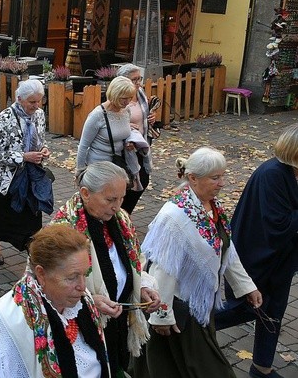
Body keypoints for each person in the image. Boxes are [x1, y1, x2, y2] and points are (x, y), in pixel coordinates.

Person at [142, 147, 262, 378]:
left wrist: (247, 286)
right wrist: (161, 315)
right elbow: (162, 270)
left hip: (199, 307)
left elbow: (224, 248)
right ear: (193, 178)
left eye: (223, 176)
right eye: (215, 178)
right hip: (182, 310)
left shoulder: (211, 206)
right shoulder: (174, 217)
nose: (222, 183)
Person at [51, 161, 161, 377]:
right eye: (110, 199)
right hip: (83, 329)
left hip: (116, 322)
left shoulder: (120, 220)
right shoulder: (62, 231)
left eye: (121, 198)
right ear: (85, 193)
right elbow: (51, 285)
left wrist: (142, 286)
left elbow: (135, 261)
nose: (117, 206)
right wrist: (89, 301)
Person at [0, 225, 110, 377]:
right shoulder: (5, 323)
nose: (82, 287)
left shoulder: (83, 302)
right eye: (72, 277)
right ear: (41, 274)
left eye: (84, 274)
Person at [214, 125, 298, 378]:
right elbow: (277, 224)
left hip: (280, 259)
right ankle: (192, 325)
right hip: (258, 255)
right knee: (248, 307)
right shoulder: (272, 174)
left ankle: (262, 367)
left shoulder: (293, 173)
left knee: (274, 311)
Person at [0, 80, 51, 265]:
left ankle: (33, 250)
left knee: (32, 216)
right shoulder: (6, 116)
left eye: (39, 101)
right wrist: (23, 156)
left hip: (29, 175)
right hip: (5, 178)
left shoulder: (38, 114)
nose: (36, 106)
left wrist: (43, 150)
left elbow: (40, 139)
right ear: (19, 99)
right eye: (32, 102)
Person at [115, 64, 156, 213]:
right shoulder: (118, 99)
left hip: (141, 145)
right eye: (134, 80)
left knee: (143, 181)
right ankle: (120, 215)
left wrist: (151, 117)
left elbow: (143, 115)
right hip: (125, 150)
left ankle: (125, 214)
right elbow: (112, 124)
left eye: (140, 78)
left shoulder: (141, 94)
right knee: (129, 185)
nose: (139, 82)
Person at [76, 76, 135, 175]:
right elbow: (83, 146)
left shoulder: (126, 110)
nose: (127, 102)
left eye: (130, 98)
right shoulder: (97, 115)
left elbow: (120, 133)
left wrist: (130, 142)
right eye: (124, 98)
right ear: (114, 95)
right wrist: (80, 172)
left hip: (117, 165)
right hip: (98, 167)